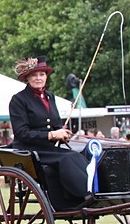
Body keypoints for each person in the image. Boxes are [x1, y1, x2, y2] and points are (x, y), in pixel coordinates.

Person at [8, 56, 91, 206]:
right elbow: (22, 133)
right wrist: (51, 135)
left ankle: (89, 192)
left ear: (46, 76)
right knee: (67, 158)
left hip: (49, 148)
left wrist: (62, 133)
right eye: (34, 75)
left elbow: (56, 124)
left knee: (78, 155)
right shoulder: (18, 100)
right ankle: (82, 195)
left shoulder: (50, 97)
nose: (38, 78)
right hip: (30, 150)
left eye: (42, 74)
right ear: (27, 77)